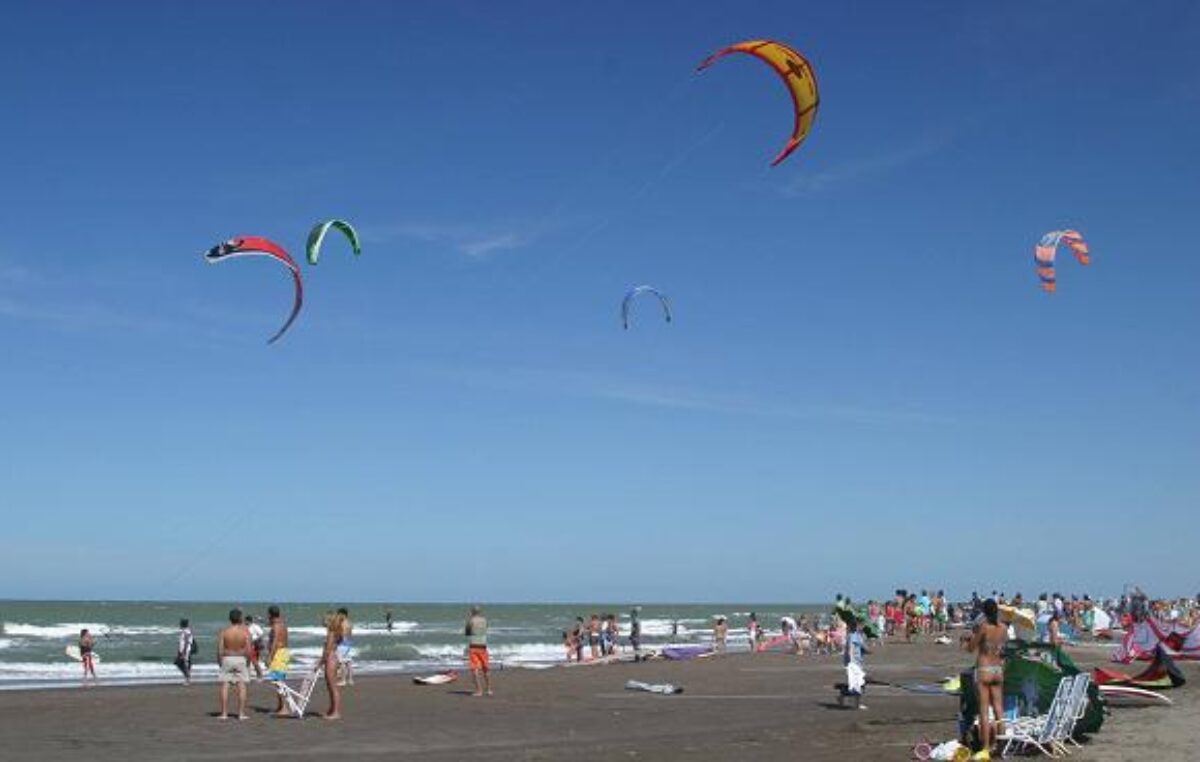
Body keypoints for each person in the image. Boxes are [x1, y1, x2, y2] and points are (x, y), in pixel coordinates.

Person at [964, 599, 1007, 761]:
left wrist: (966, 640)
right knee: (999, 709)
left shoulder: (984, 627)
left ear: (985, 612)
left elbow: (971, 649)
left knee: (983, 710)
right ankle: (1001, 746)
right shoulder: (1003, 628)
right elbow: (1002, 649)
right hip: (997, 669)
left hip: (984, 669)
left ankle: (986, 747)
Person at [216, 608, 252, 720]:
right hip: (241, 659)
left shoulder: (224, 632)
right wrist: (248, 662)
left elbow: (220, 650)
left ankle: (224, 713)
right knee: (241, 685)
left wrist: (220, 662)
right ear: (240, 619)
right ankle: (241, 714)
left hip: (227, 658)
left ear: (230, 619)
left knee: (225, 685)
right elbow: (249, 650)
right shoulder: (245, 632)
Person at [266, 605, 291, 716]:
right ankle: (280, 706)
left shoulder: (276, 626)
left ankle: (284, 708)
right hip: (283, 653)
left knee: (278, 681)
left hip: (278, 654)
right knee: (279, 680)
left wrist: (270, 657)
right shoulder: (282, 624)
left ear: (270, 614)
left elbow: (275, 642)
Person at [841, 617, 869, 710]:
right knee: (859, 684)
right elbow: (850, 649)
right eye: (861, 625)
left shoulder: (857, 635)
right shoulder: (853, 636)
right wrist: (851, 662)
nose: (863, 627)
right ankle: (853, 701)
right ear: (857, 626)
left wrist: (866, 651)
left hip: (857, 662)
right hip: (853, 663)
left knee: (859, 684)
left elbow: (861, 648)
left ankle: (844, 694)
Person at [320, 610, 343, 720]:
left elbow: (327, 650)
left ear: (329, 621)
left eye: (324, 619)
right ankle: (332, 709)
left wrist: (320, 662)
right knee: (331, 687)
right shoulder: (334, 632)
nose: (322, 621)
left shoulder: (331, 633)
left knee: (333, 687)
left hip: (331, 659)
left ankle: (336, 712)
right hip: (333, 658)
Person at [465, 605, 492, 697]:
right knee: (485, 668)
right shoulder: (484, 620)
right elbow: (486, 629)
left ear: (472, 612)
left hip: (473, 645)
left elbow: (467, 633)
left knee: (475, 668)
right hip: (483, 645)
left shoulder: (470, 620)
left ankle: (479, 691)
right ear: (480, 612)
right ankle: (488, 689)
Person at [335, 607, 354, 686]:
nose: (337, 616)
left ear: (342, 614)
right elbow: (350, 634)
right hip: (349, 644)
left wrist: (336, 641)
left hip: (342, 644)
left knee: (341, 662)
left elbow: (342, 635)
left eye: (338, 615)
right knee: (348, 663)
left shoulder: (342, 623)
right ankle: (350, 679)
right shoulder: (350, 623)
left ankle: (343, 680)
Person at [175, 619, 195, 685]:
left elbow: (186, 642)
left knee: (183, 664)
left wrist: (183, 652)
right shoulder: (185, 631)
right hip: (183, 651)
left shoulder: (186, 632)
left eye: (180, 624)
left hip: (186, 651)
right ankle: (187, 677)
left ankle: (188, 679)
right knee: (180, 663)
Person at [246, 615, 265, 679]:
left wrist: (255, 640)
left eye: (246, 621)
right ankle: (250, 674)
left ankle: (260, 675)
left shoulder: (255, 627)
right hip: (249, 645)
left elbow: (261, 634)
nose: (245, 622)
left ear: (248, 621)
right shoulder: (247, 627)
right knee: (250, 660)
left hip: (254, 645)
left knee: (254, 660)